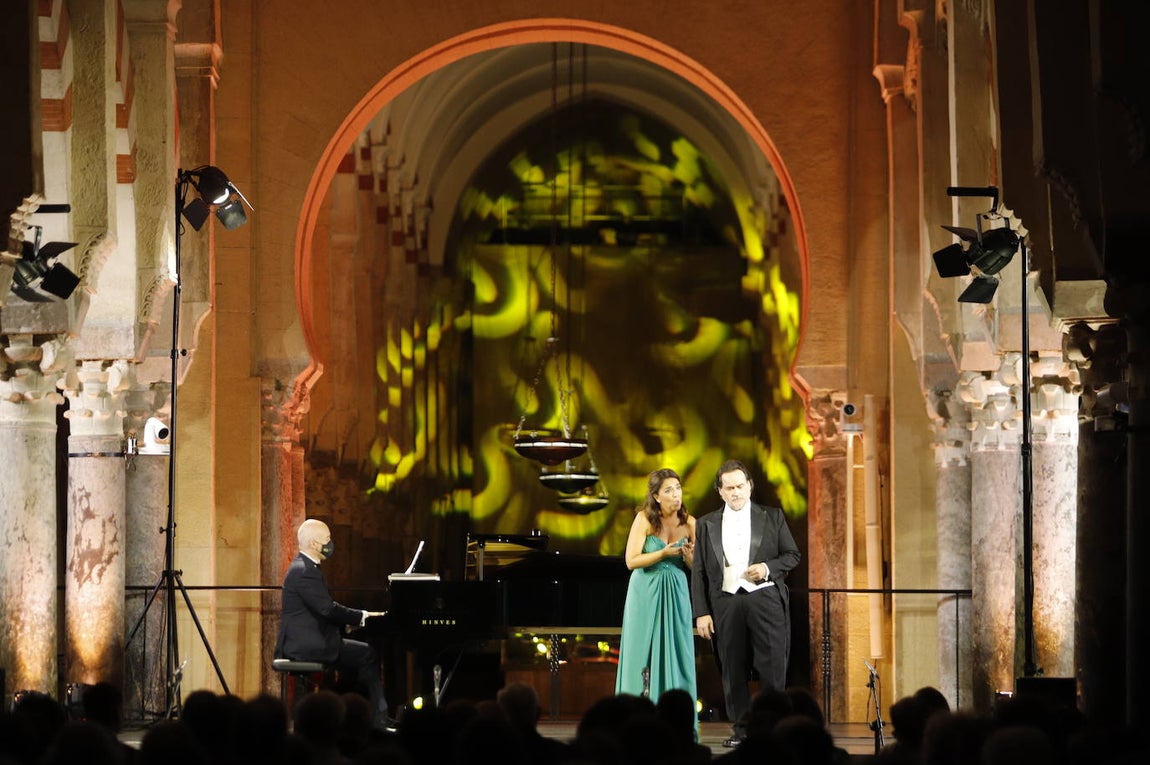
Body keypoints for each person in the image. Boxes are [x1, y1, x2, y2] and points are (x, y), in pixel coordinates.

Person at [690, 459, 801, 748]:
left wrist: (766, 568)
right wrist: (701, 612)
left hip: (765, 599)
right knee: (732, 668)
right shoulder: (706, 524)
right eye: (729, 488)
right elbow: (699, 570)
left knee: (772, 667)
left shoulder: (772, 516)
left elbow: (792, 555)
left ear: (750, 486)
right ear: (720, 491)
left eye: (740, 486)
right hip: (726, 602)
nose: (736, 492)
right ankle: (741, 730)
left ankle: (774, 731)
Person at [275, 518, 392, 730]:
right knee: (368, 654)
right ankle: (378, 718)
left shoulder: (305, 567)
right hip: (308, 645)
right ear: (313, 544)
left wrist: (349, 624)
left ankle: (348, 715)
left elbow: (319, 610)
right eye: (327, 539)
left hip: (310, 639)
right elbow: (327, 609)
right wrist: (362, 616)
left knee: (358, 655)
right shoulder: (305, 571)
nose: (331, 544)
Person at [615, 468, 698, 709]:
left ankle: (675, 713)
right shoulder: (644, 518)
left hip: (676, 590)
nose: (676, 495)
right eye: (669, 490)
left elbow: (696, 568)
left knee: (677, 650)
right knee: (640, 651)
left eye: (678, 488)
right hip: (645, 591)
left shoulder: (691, 522)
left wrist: (690, 557)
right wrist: (662, 553)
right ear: (656, 496)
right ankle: (633, 712)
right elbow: (631, 561)